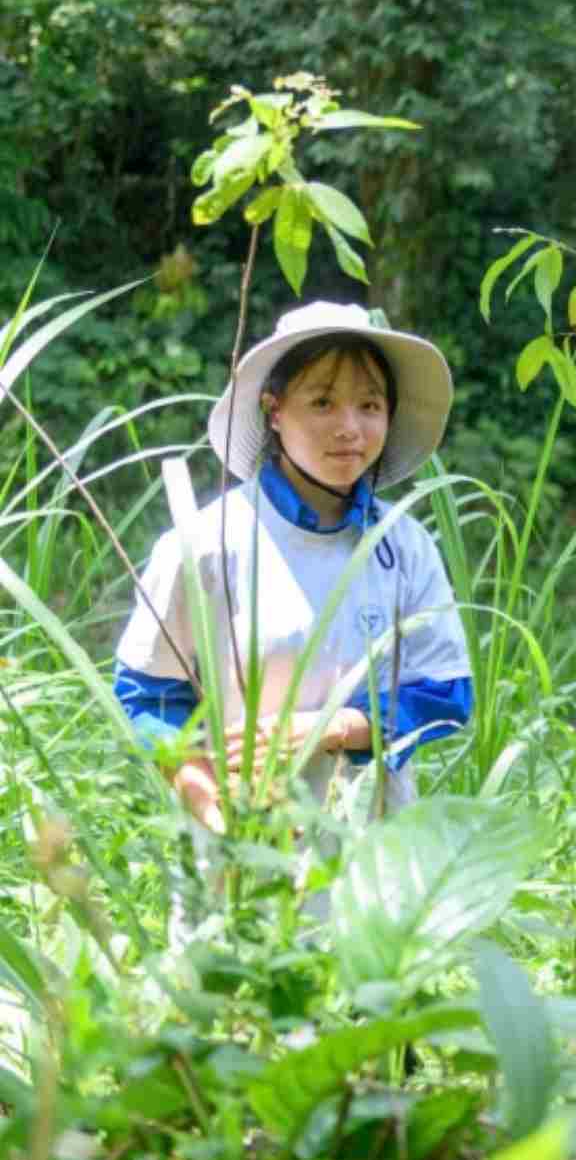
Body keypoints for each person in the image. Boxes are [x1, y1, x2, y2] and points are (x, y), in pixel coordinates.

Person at [114, 303, 473, 890]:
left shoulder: (404, 546)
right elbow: (150, 698)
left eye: (370, 405)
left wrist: (330, 728)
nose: (350, 428)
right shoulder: (205, 543)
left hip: (376, 866)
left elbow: (445, 693)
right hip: (239, 864)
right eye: (323, 401)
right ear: (273, 410)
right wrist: (213, 812)